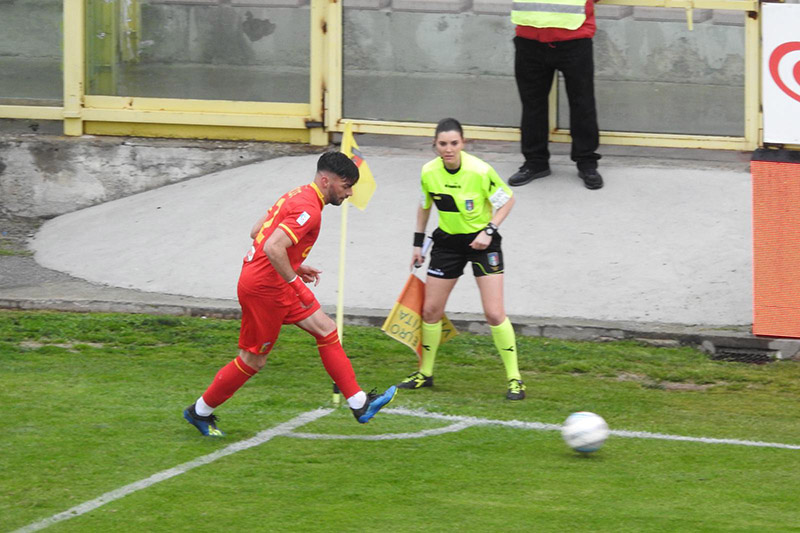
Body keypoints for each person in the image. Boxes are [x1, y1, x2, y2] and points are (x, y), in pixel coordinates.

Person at [184, 152, 397, 436]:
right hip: (265, 290)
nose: (349, 193)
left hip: (272, 282)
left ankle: (358, 402)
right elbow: (273, 247)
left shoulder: (297, 195)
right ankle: (199, 412)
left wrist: (295, 263)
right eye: (345, 186)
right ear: (326, 181)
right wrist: (296, 281)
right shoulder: (310, 208)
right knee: (253, 360)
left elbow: (257, 231)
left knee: (326, 329)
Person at [397, 118, 526, 400]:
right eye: (443, 144)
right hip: (448, 245)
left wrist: (489, 230)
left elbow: (508, 200)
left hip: (483, 243)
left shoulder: (480, 171)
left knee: (493, 313)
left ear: (463, 143)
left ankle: (515, 379)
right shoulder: (428, 172)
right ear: (435, 145)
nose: (448, 149)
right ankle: (425, 373)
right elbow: (424, 207)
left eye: (454, 143)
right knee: (430, 311)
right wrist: (418, 245)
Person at [508, 0, 604, 190]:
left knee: (582, 104)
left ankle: (586, 161)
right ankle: (535, 161)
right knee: (532, 105)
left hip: (574, 37)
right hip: (529, 37)